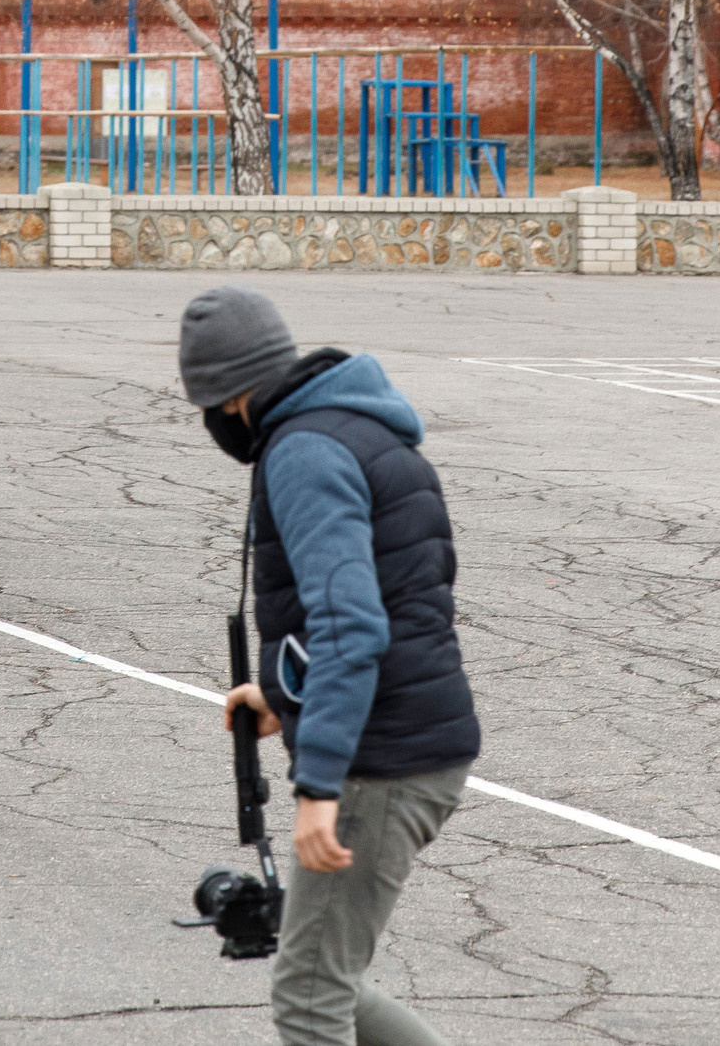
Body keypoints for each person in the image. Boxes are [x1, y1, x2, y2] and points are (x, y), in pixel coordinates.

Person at [178, 286, 482, 1046]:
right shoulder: (352, 426)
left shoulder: (305, 452)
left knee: (309, 997)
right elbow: (392, 598)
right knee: (329, 983)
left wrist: (317, 788)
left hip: (382, 761)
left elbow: (352, 625)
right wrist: (283, 690)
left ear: (230, 395)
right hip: (416, 739)